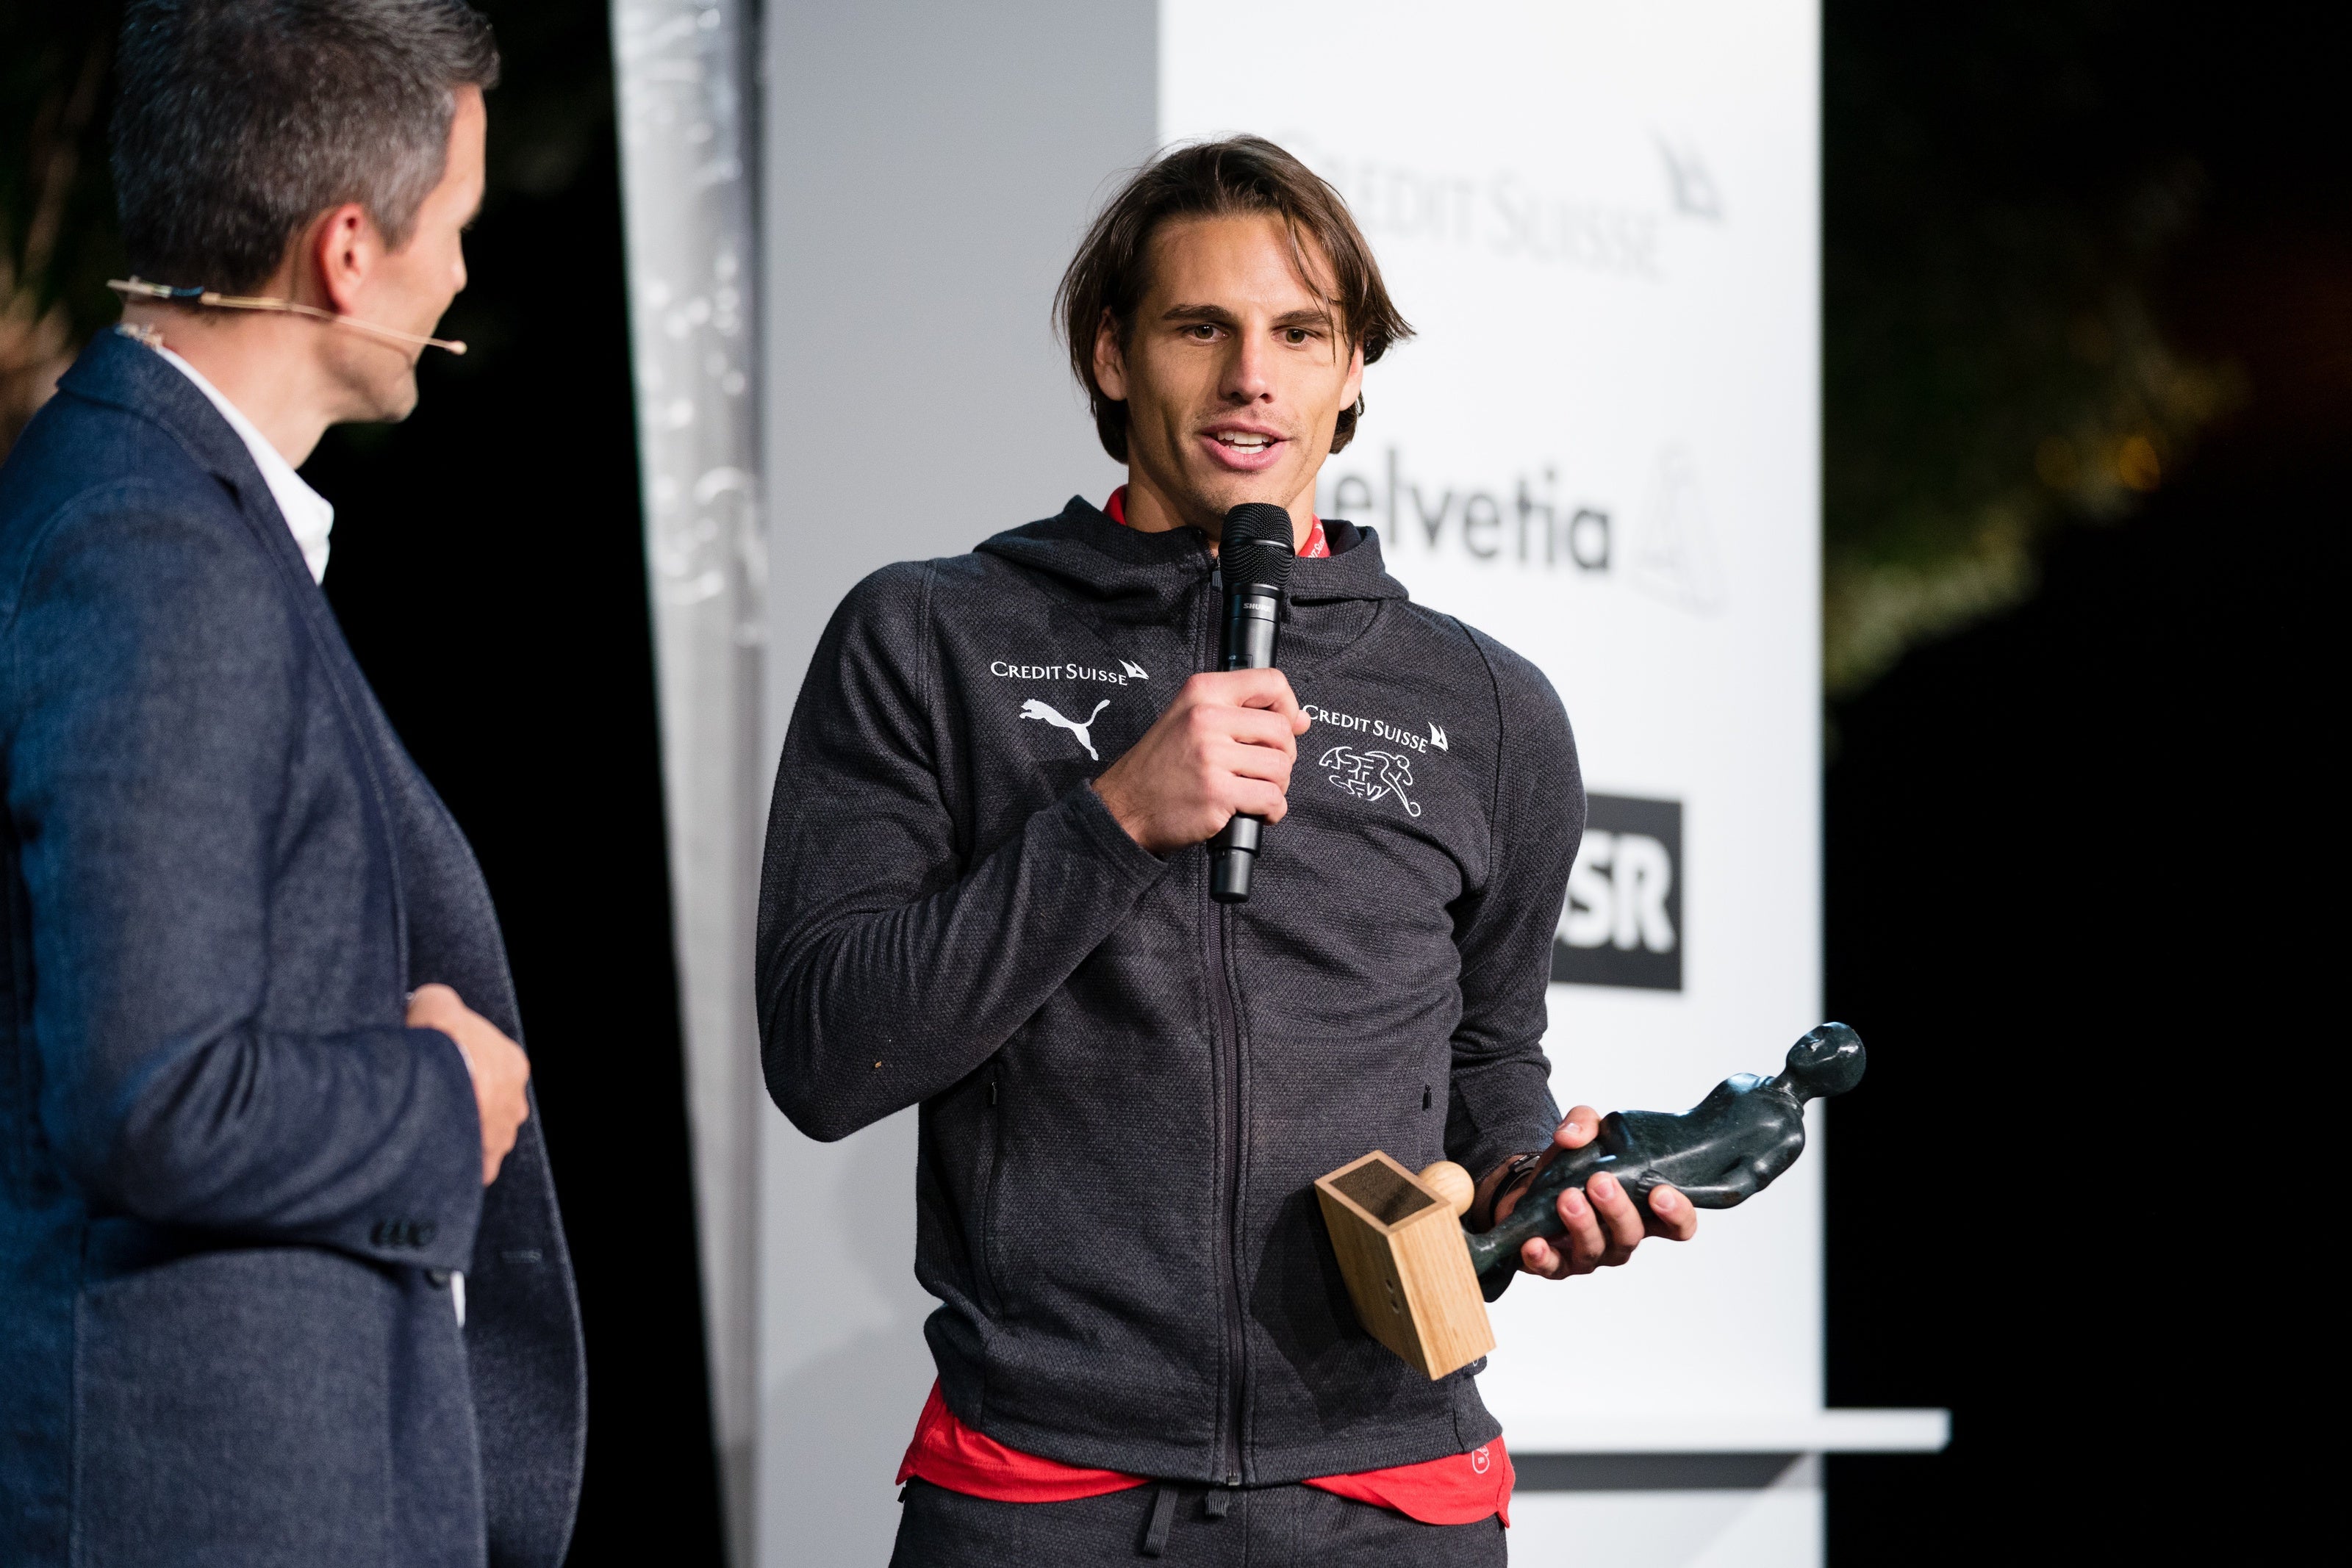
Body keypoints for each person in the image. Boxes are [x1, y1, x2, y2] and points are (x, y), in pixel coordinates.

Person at [758, 137, 1701, 1565]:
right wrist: (1112, 819)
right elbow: (828, 1054)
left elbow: (1492, 1065)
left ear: (1351, 370)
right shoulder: (930, 637)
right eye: (1201, 325)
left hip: (1395, 1498)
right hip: (1040, 1487)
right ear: (1113, 353)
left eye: (1299, 332)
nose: (1252, 374)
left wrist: (1529, 1189)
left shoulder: (1492, 706)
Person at [0, 4, 583, 1564]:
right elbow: (157, 1091)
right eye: (451, 227)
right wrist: (441, 1095)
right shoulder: (149, 550)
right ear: (346, 253)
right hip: (207, 1503)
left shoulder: (169, 512)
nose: (459, 271)